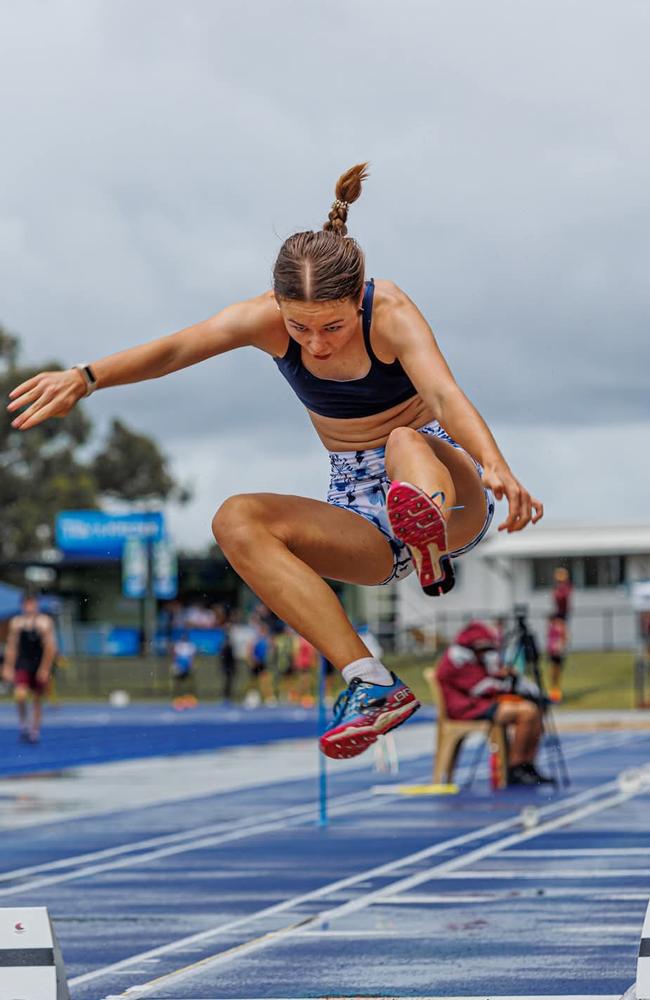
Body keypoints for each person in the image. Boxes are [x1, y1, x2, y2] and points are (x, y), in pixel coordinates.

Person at [6, 162, 543, 760]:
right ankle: (371, 684)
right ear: (279, 309)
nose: (316, 344)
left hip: (446, 482)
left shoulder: (389, 311)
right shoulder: (263, 319)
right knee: (235, 520)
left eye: (334, 326)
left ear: (358, 295)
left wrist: (497, 465)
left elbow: (443, 394)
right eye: (300, 328)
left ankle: (428, 537)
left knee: (401, 442)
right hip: (359, 508)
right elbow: (179, 347)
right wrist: (87, 377)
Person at [436, 621, 553, 786]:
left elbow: (489, 681)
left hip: (481, 703)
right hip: (466, 709)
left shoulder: (478, 658)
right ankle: (515, 767)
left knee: (537, 708)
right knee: (527, 712)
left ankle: (528, 764)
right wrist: (505, 683)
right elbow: (480, 687)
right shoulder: (456, 660)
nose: (486, 652)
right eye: (483, 648)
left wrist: (507, 677)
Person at [1, 593, 57, 743]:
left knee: (37, 700)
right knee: (20, 694)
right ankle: (23, 725)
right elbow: (12, 646)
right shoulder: (16, 623)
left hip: (39, 663)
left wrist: (45, 669)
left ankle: (34, 731)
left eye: (32, 604)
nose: (30, 607)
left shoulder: (45, 622)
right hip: (23, 663)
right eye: (27, 604)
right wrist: (7, 666)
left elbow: (50, 647)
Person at [546, 614, 568, 703]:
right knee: (552, 676)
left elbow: (564, 638)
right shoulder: (551, 626)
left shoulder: (560, 626)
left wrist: (560, 647)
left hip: (557, 653)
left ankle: (556, 696)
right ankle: (553, 695)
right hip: (552, 652)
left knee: (556, 675)